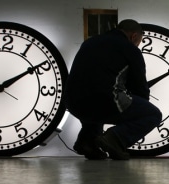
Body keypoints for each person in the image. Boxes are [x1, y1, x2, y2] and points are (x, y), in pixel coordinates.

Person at [65, 19, 162, 160]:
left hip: (72, 102)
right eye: (138, 41)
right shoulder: (130, 49)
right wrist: (140, 107)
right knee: (153, 115)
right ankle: (115, 139)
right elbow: (139, 86)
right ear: (134, 36)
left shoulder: (90, 42)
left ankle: (87, 142)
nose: (137, 45)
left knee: (96, 104)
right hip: (104, 100)